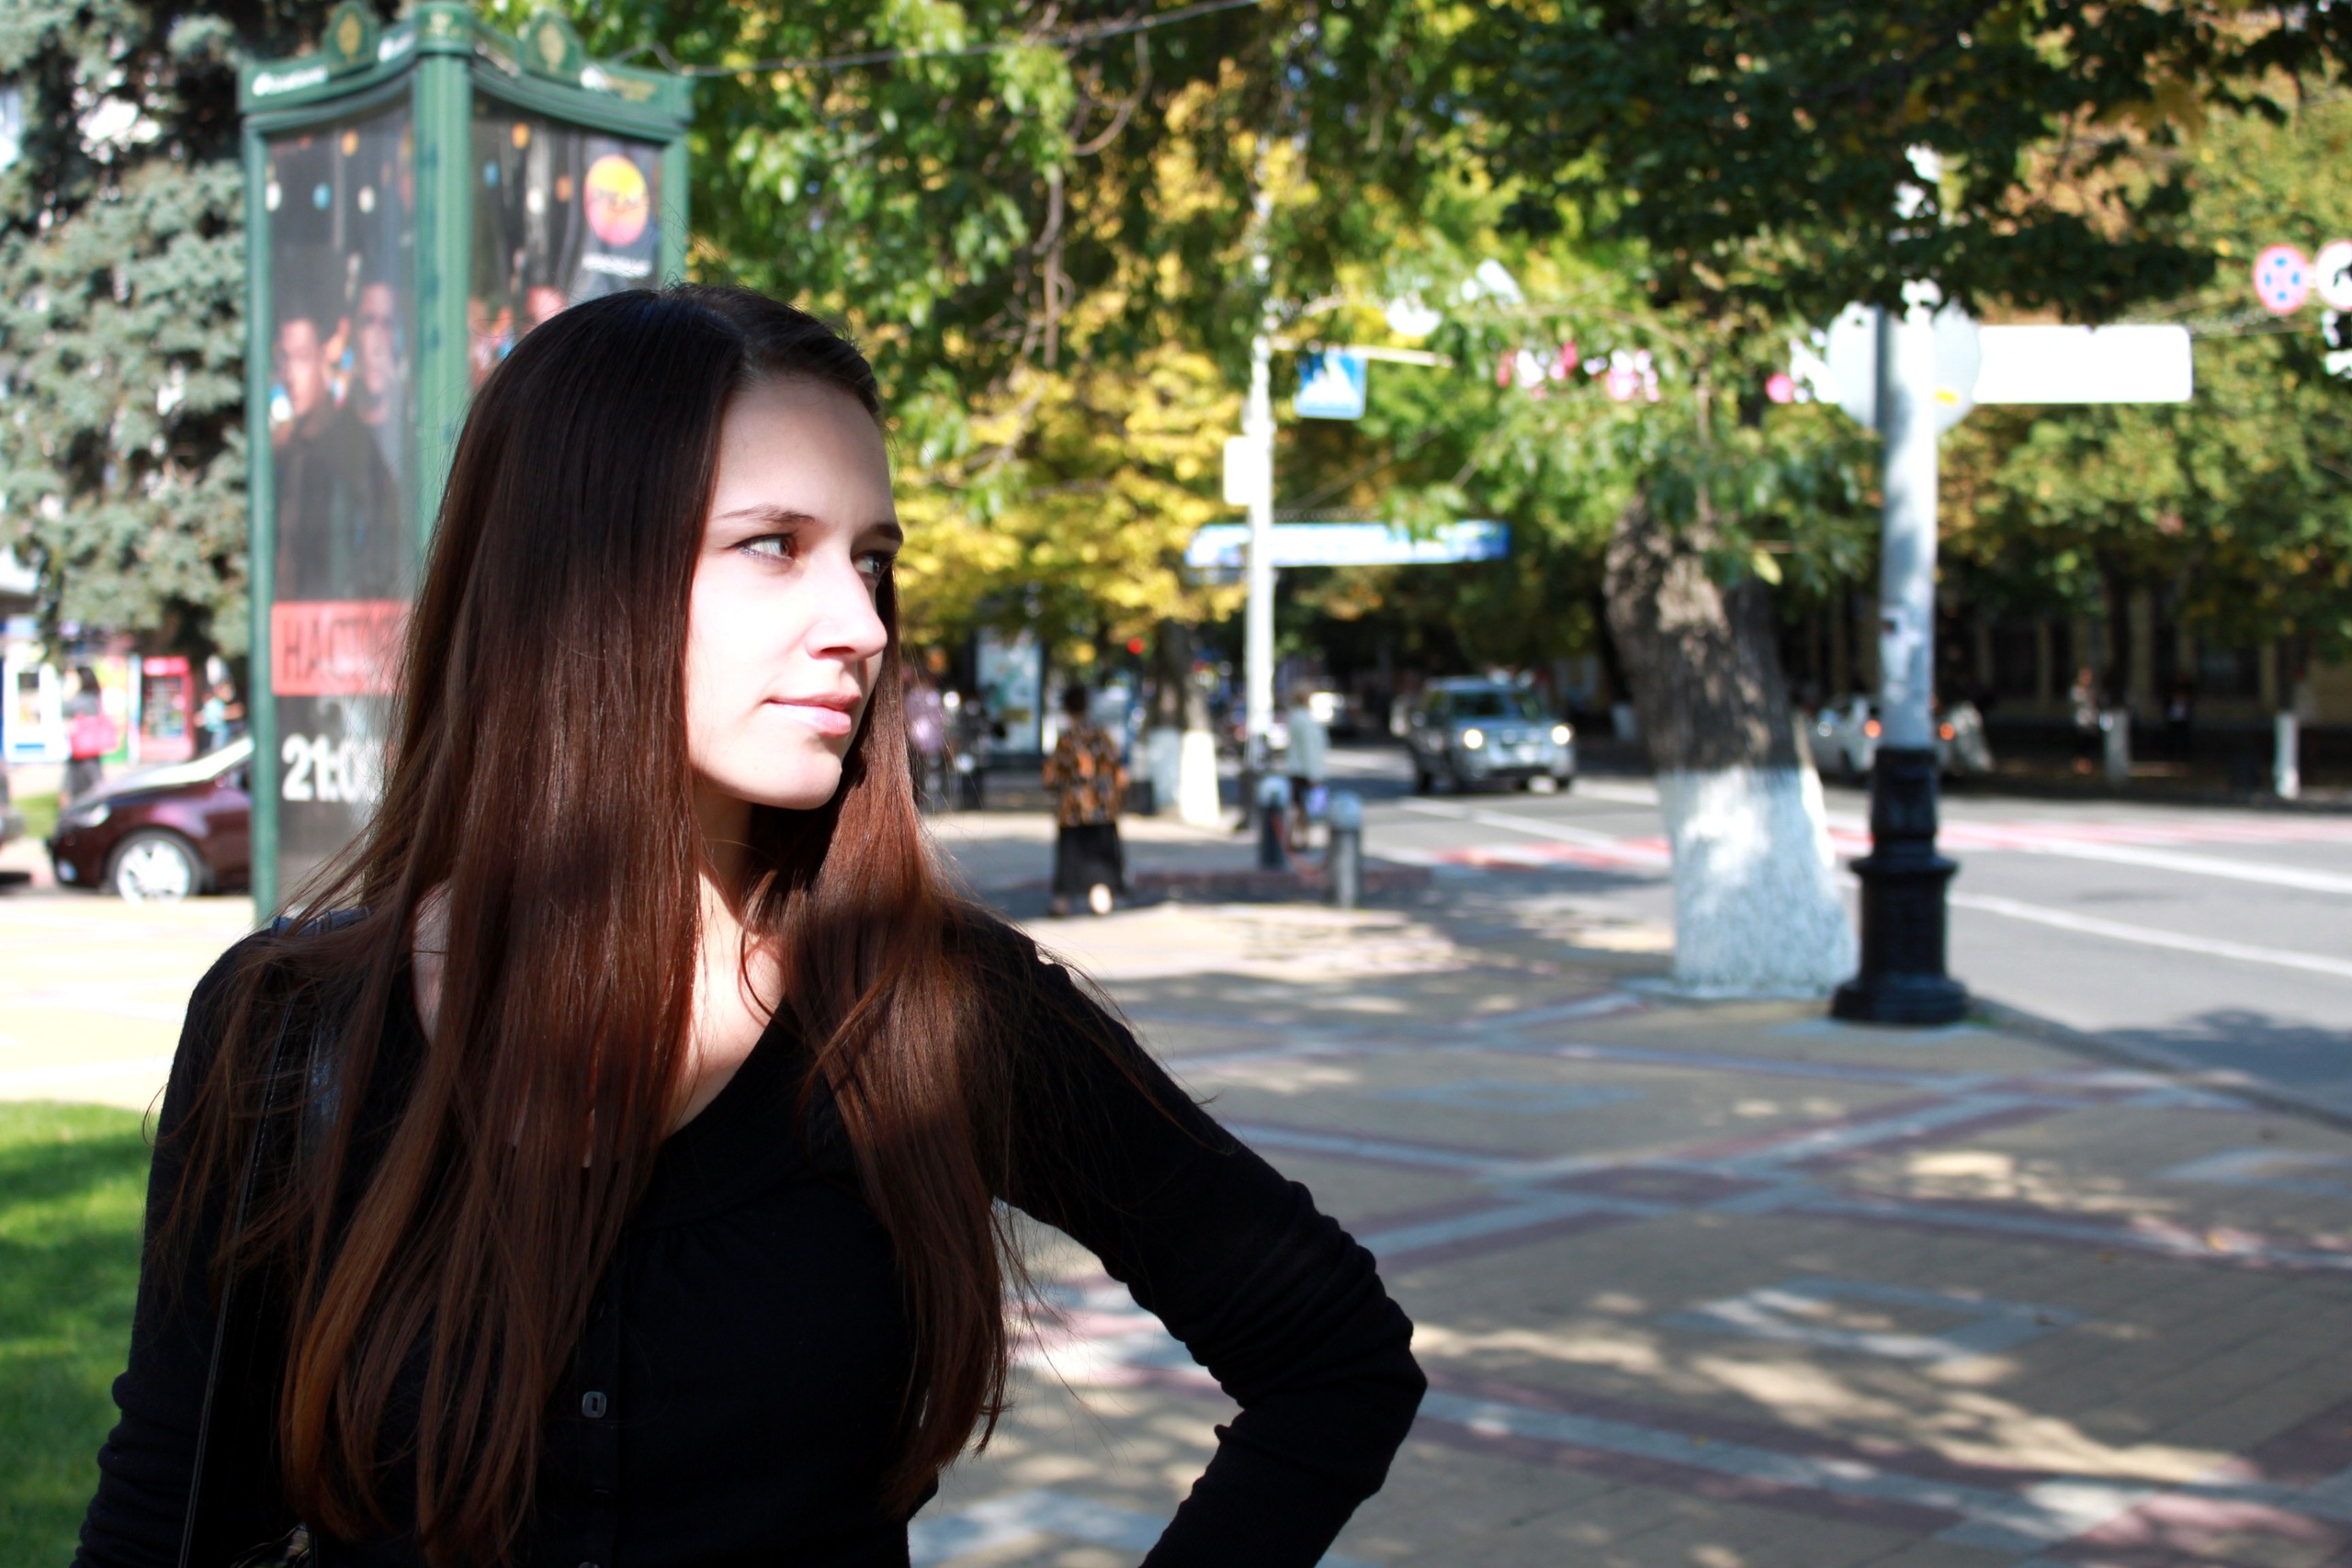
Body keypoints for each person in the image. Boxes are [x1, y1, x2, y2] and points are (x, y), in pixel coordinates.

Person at [75, 288, 1421, 1568]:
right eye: (774, 544)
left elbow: (1334, 1354)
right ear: (572, 577)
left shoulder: (933, 1008)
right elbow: (168, 1512)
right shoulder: (288, 1033)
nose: (862, 623)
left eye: (873, 560)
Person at [274, 308, 405, 603]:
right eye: (284, 359)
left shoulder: (353, 446)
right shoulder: (285, 453)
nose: (290, 376)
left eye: (302, 357)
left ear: (325, 358)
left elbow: (378, 550)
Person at [1042, 682, 1128, 917]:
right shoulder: (1101, 735)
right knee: (1100, 853)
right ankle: (1100, 898)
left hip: (1072, 808)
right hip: (1102, 807)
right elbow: (1117, 767)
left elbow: (1052, 775)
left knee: (1070, 855)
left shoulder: (1066, 739)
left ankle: (1062, 902)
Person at [1283, 682, 1329, 853]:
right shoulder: (1304, 719)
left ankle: (1297, 838)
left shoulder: (1296, 717)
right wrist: (1314, 774)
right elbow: (1309, 749)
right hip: (1304, 770)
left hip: (1297, 769)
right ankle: (1299, 838)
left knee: (1299, 807)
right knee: (1302, 808)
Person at [62, 668, 113, 801]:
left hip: (83, 748)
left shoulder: (81, 700)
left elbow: (67, 712)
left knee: (88, 782)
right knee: (91, 780)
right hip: (86, 749)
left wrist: (67, 693)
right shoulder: (94, 697)